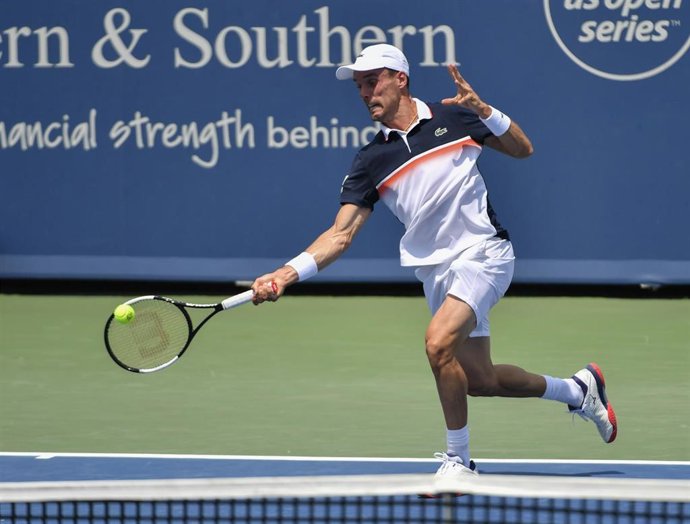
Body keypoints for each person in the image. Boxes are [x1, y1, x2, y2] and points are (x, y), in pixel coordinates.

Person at [251, 44, 617, 483]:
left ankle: (458, 461)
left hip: (484, 253)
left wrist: (485, 110)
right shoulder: (371, 160)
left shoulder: (456, 118)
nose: (366, 93)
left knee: (437, 344)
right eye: (360, 86)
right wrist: (286, 274)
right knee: (478, 379)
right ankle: (577, 390)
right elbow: (340, 235)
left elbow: (523, 149)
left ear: (400, 79)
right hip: (437, 273)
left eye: (373, 81)